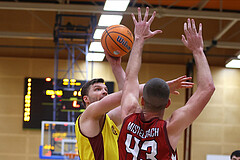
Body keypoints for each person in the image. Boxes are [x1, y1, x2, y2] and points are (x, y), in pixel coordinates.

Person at [75, 8, 194, 160]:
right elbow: (127, 93)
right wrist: (162, 88)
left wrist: (116, 66)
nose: (104, 92)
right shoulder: (88, 116)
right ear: (86, 98)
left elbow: (128, 97)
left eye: (105, 89)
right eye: (97, 89)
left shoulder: (109, 120)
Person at [118, 7, 215, 160]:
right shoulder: (169, 129)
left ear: (142, 100)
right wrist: (198, 50)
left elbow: (130, 78)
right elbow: (208, 88)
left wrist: (138, 39)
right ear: (168, 103)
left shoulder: (128, 115)